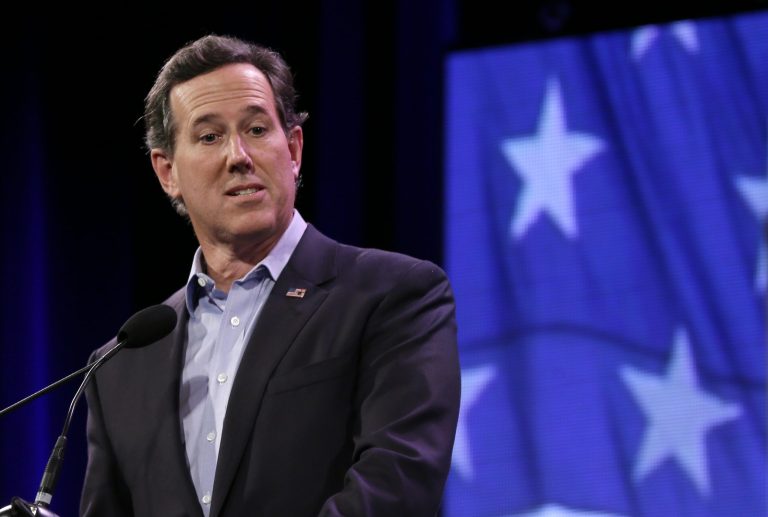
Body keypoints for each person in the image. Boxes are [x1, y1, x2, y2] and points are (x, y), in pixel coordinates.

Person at [79, 34, 461, 517]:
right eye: (209, 136)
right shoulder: (120, 365)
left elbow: (398, 484)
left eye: (257, 129)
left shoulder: (392, 295)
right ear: (167, 172)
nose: (238, 155)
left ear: (294, 148)